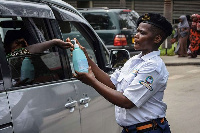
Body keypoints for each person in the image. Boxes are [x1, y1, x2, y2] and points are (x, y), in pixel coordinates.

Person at [73, 13, 172, 133]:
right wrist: (87, 59)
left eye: (142, 33)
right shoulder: (134, 60)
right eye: (137, 31)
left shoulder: (153, 67)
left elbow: (127, 101)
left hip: (148, 130)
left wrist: (92, 81)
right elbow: (112, 83)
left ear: (157, 39)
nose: (136, 36)